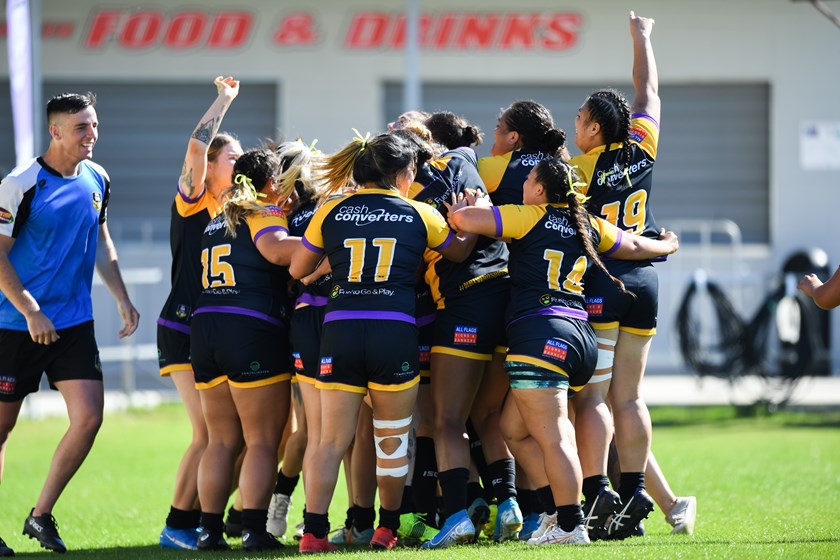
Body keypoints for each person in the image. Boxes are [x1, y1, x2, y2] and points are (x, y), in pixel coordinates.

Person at [448, 157, 679, 546]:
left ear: (540, 190)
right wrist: (667, 244)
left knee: (554, 435)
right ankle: (556, 512)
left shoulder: (530, 215)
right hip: (581, 338)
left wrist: (459, 210)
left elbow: (466, 222)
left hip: (541, 332)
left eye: (529, 179)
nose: (523, 183)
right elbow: (635, 244)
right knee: (513, 429)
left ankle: (571, 525)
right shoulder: (585, 221)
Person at [290, 131, 477, 553]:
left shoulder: (332, 210)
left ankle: (314, 534)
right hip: (393, 332)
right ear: (400, 173)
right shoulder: (419, 213)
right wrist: (469, 217)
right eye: (412, 171)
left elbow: (300, 269)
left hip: (339, 330)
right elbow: (459, 252)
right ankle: (385, 530)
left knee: (329, 441)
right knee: (391, 440)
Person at [568, 11, 695, 539]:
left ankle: (600, 493)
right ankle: (641, 492)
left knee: (591, 401)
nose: (574, 126)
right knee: (630, 398)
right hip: (646, 283)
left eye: (579, 119)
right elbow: (648, 92)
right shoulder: (642, 145)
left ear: (595, 128)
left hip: (604, 283)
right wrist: (642, 38)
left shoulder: (578, 171)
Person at [0, 91, 140, 554]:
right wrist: (30, 309)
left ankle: (40, 516)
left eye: (95, 125)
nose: (92, 135)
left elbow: (101, 241)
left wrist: (122, 297)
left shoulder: (98, 177)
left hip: (73, 325)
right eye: (82, 127)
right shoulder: (19, 184)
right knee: (1, 431)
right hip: (15, 325)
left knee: (89, 418)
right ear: (55, 131)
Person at [410, 113, 520, 547]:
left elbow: (456, 244)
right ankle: (508, 505)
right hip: (506, 294)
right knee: (486, 414)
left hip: (466, 302)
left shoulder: (430, 174)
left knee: (447, 420)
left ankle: (455, 515)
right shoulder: (470, 163)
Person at [191, 148, 300, 552]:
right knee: (262, 441)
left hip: (205, 330)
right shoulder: (263, 210)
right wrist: (323, 245)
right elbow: (276, 251)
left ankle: (209, 530)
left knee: (220, 440)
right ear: (271, 183)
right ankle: (254, 530)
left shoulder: (218, 219)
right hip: (250, 328)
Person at [157, 75, 243, 551]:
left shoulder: (236, 207)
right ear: (209, 166)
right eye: (232, 157)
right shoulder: (193, 201)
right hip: (183, 324)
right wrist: (224, 100)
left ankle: (219, 515)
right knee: (208, 431)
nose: (240, 163)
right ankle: (177, 523)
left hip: (215, 330)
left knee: (234, 435)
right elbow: (195, 145)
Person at [477, 100, 568, 206]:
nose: (494, 131)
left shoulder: (497, 167)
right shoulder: (563, 166)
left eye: (498, 126)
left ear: (512, 137)